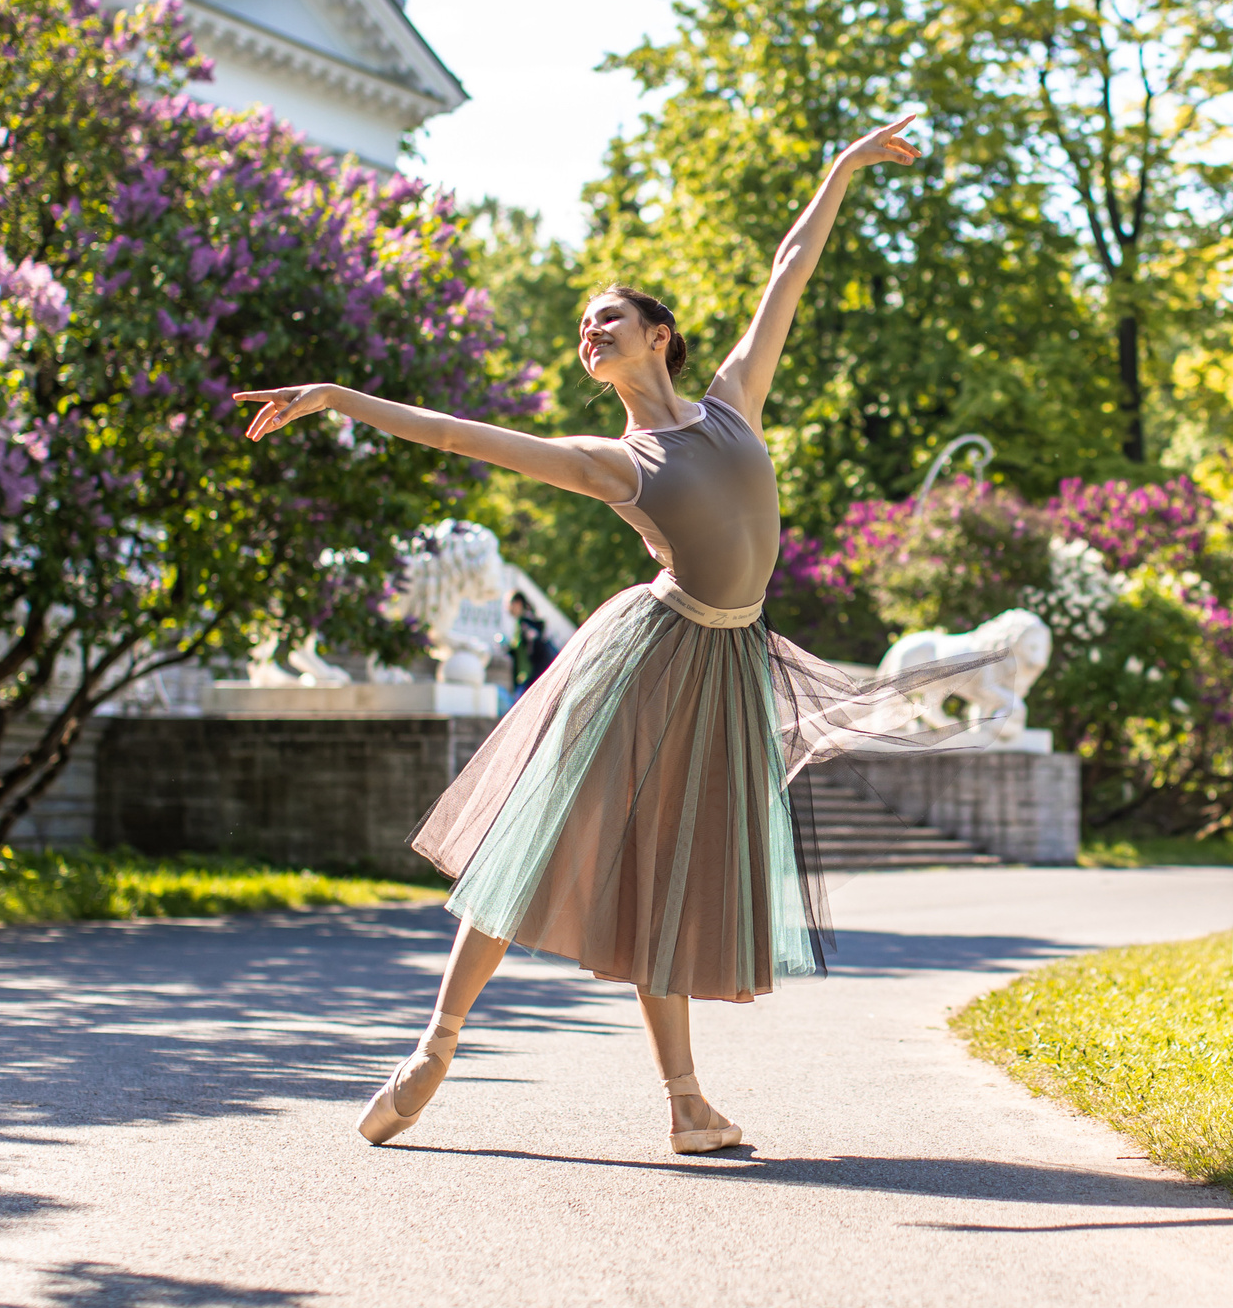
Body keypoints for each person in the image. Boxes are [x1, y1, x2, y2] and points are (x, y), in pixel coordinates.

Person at [235, 113, 973, 1156]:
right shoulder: (613, 460)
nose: (590, 333)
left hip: (728, 660)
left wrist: (844, 164)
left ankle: (686, 1105)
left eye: (606, 319)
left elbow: (789, 267)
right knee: (541, 844)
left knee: (669, 873)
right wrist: (336, 397)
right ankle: (433, 1048)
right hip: (654, 654)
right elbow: (458, 435)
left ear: (658, 334)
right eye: (583, 328)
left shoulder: (731, 406)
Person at [505, 592, 550, 693]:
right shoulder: (521, 623)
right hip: (524, 678)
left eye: (509, 604)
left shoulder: (526, 624)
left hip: (530, 679)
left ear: (518, 603)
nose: (507, 608)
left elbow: (535, 645)